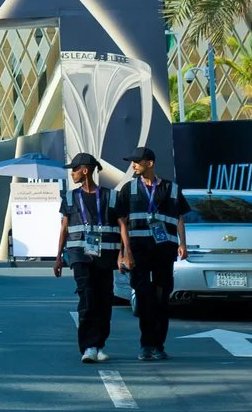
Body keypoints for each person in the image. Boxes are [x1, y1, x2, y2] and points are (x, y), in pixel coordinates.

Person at [116, 144, 190, 361]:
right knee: (143, 297)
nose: (133, 165)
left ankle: (158, 345)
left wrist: (183, 243)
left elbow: (180, 218)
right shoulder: (128, 190)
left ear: (150, 163)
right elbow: (122, 222)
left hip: (164, 250)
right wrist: (124, 253)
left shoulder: (171, 188)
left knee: (161, 298)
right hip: (138, 252)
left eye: (137, 162)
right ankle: (146, 344)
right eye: (132, 162)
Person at [51, 152, 119, 364]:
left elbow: (122, 225)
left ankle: (99, 345)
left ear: (86, 170)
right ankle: (88, 346)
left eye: (74, 169)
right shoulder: (70, 197)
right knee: (87, 298)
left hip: (105, 254)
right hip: (79, 255)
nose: (72, 173)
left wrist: (125, 254)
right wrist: (58, 257)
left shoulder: (110, 196)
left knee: (104, 301)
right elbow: (64, 229)